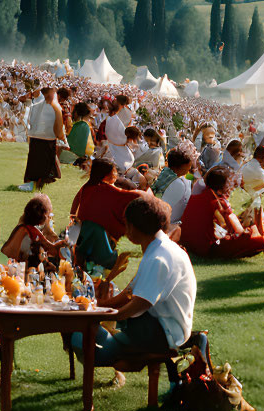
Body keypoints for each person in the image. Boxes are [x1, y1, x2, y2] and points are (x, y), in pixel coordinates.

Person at [71, 195, 196, 368]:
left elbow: (141, 302)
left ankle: (126, 357)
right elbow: (130, 292)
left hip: (162, 332)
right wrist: (99, 306)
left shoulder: (159, 257)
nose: (126, 230)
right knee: (84, 330)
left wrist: (107, 314)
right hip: (155, 324)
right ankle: (118, 348)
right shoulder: (158, 248)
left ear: (136, 226)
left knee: (82, 342)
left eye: (127, 224)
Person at [179, 166, 264, 261]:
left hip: (188, 243)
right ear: (220, 188)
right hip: (207, 248)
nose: (231, 187)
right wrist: (251, 224)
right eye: (229, 184)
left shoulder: (201, 194)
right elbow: (239, 231)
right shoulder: (220, 202)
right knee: (260, 241)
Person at [69, 158, 139, 268]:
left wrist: (72, 216)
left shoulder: (89, 186)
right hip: (94, 231)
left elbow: (76, 200)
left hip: (83, 229)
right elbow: (128, 196)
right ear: (105, 176)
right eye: (114, 173)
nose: (116, 175)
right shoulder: (105, 189)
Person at [2, 194, 66, 268]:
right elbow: (50, 248)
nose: (50, 218)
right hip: (19, 268)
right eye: (48, 215)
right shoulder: (28, 231)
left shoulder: (25, 226)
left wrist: (45, 263)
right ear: (44, 217)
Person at [23, 85, 65, 191]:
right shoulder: (55, 108)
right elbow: (58, 132)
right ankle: (36, 184)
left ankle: (33, 184)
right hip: (46, 141)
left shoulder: (35, 106)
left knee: (35, 164)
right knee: (42, 167)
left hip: (35, 139)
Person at [153, 148, 193, 227]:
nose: (190, 168)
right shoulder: (178, 184)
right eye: (188, 166)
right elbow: (166, 208)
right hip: (166, 223)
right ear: (182, 167)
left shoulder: (166, 172)